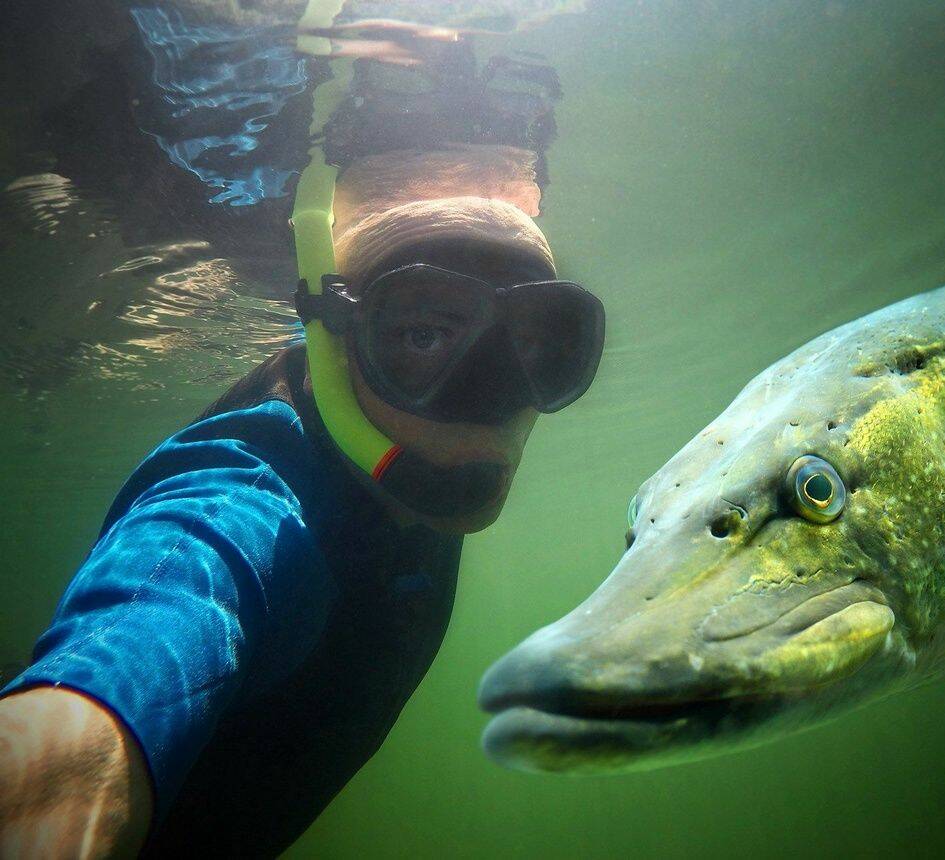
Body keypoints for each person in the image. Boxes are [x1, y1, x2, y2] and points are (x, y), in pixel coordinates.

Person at [0, 126, 604, 859]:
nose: (494, 398)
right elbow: (146, 627)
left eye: (540, 342)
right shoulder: (238, 503)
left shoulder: (408, 462)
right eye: (422, 335)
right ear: (330, 343)